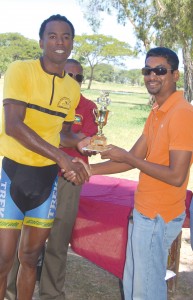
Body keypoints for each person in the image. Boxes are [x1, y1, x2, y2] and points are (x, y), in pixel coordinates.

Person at [68, 47, 193, 300]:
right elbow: (129, 161)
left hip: (158, 216)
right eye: (148, 70)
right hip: (145, 211)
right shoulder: (157, 111)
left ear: (175, 75)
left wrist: (128, 157)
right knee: (135, 283)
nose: (152, 76)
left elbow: (176, 176)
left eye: (160, 70)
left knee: (146, 291)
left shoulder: (182, 114)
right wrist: (87, 169)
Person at [0, 14, 90, 300]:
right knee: (3, 259)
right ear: (41, 41)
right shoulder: (20, 70)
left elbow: (61, 134)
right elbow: (13, 125)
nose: (59, 42)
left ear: (72, 43)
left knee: (30, 257)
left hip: (45, 180)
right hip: (13, 173)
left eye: (65, 37)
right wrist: (61, 159)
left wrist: (81, 143)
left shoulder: (72, 88)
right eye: (52, 36)